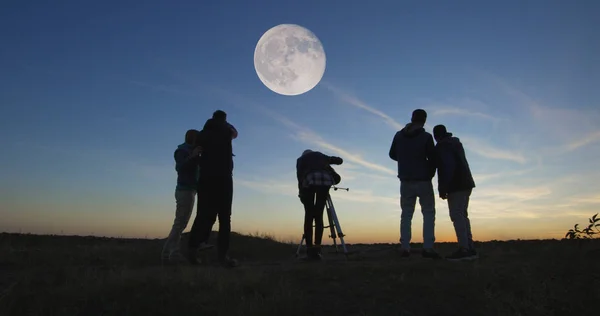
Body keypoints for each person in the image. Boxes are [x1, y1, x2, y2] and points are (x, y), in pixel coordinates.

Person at [187, 110, 239, 267]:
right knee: (225, 218)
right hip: (223, 178)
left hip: (205, 178)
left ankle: (192, 250)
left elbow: (195, 153)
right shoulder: (227, 130)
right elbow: (236, 133)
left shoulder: (202, 134)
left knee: (202, 214)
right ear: (224, 119)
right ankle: (222, 257)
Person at [388, 109, 440, 259]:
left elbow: (392, 154)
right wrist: (429, 173)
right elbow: (433, 158)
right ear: (424, 120)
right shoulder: (426, 137)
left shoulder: (399, 135)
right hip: (423, 180)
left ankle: (405, 247)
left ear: (411, 118)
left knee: (406, 214)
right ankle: (428, 248)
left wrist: (405, 160)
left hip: (405, 180)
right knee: (429, 213)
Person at [161, 129, 213, 264]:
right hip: (184, 190)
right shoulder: (182, 151)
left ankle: (169, 254)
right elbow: (180, 168)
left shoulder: (191, 151)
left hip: (190, 190)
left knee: (180, 223)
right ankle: (170, 254)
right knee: (180, 223)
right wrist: (193, 155)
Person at [433, 124, 478, 261]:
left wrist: (443, 188)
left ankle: (464, 248)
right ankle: (469, 247)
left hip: (456, 185)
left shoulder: (442, 146)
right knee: (463, 215)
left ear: (436, 136)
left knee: (457, 216)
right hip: (466, 183)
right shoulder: (455, 143)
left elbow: (447, 167)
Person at [296, 149, 343, 260]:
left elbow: (299, 176)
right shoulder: (321, 156)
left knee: (309, 215)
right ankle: (317, 250)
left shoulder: (301, 159)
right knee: (319, 215)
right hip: (325, 180)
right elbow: (339, 161)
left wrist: (301, 194)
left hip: (309, 181)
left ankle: (309, 250)